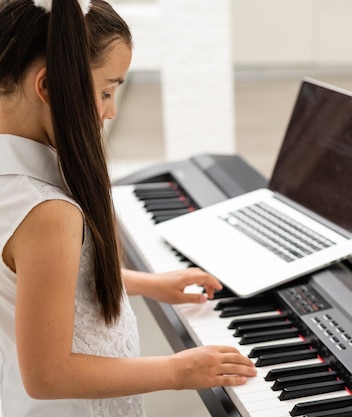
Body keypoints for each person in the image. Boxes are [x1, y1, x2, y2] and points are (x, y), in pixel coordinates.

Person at [0, 0, 257, 415]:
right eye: (105, 90)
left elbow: (34, 279)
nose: (110, 110)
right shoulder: (46, 212)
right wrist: (178, 371)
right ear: (47, 86)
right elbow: (47, 375)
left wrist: (143, 283)